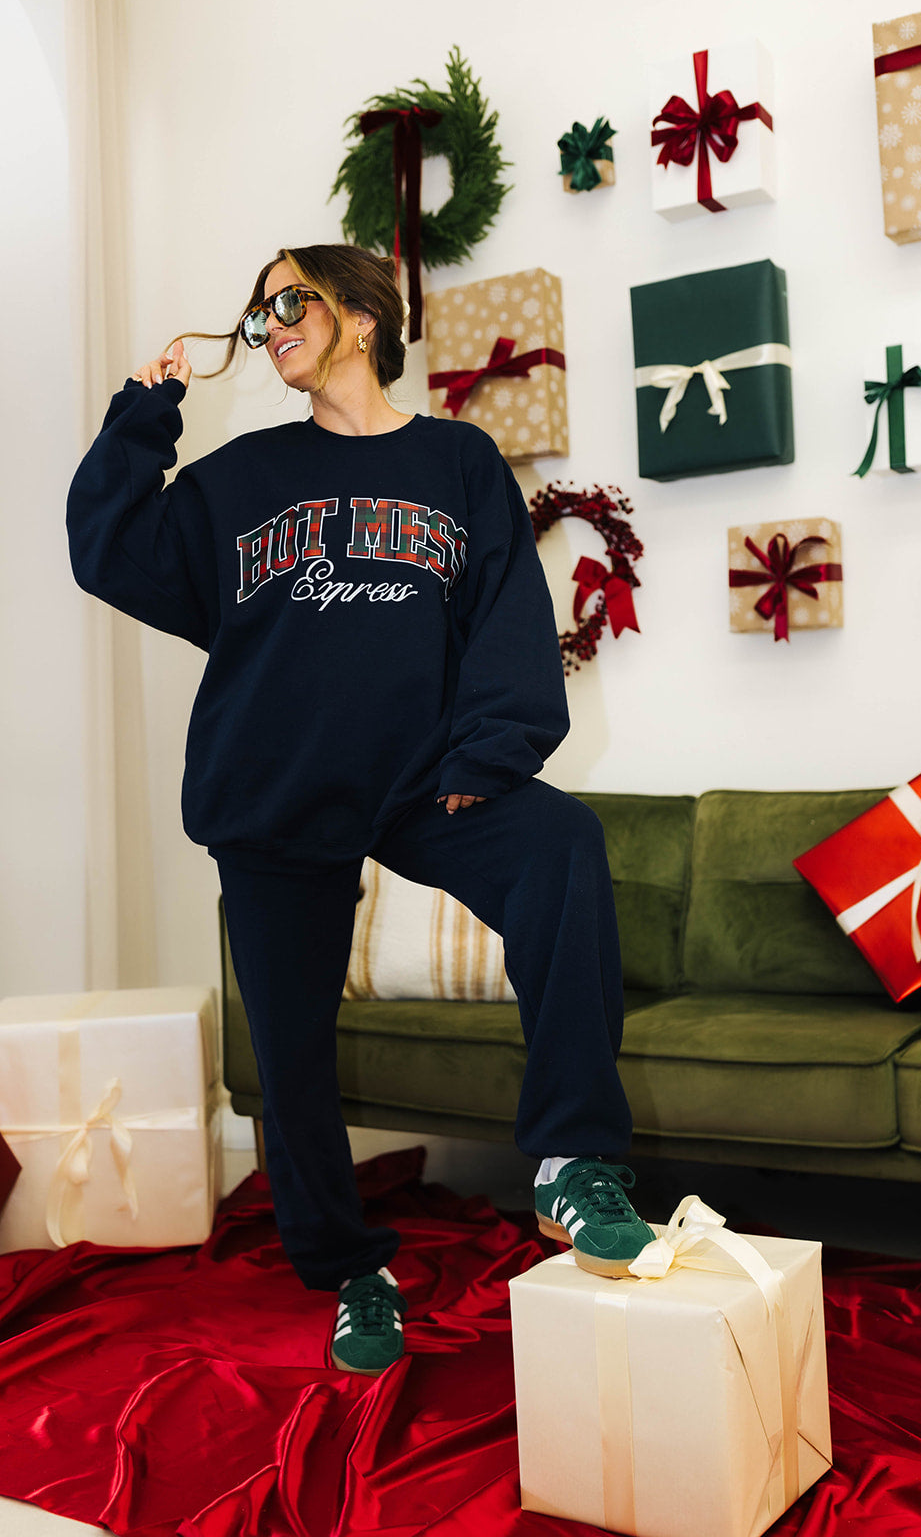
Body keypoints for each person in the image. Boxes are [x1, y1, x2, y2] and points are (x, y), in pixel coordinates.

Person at [67, 243, 654, 1378]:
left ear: (365, 315)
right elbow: (112, 551)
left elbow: (504, 613)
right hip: (276, 786)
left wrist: (493, 747)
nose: (270, 323)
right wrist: (144, 413)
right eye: (260, 312)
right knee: (287, 1055)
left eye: (292, 301)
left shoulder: (456, 460)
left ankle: (573, 1163)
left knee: (562, 845)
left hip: (426, 776)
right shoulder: (240, 477)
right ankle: (351, 1273)